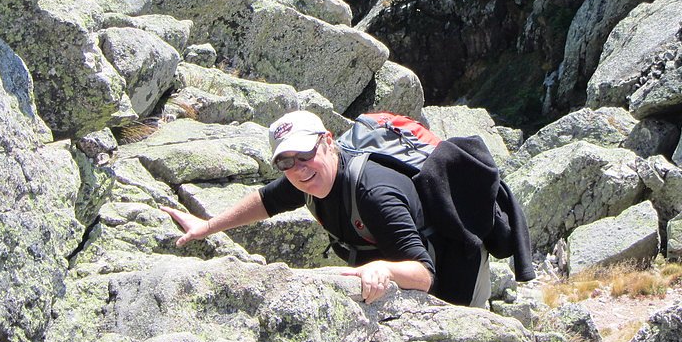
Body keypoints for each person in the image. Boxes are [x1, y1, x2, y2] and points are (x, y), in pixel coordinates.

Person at [160, 110, 494, 306]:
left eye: (305, 155)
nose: (299, 169)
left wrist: (386, 270)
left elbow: (423, 274)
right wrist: (206, 226)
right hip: (388, 266)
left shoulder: (374, 194)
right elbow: (266, 201)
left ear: (328, 141)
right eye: (285, 162)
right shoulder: (306, 178)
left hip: (453, 268)